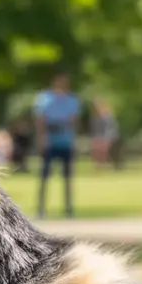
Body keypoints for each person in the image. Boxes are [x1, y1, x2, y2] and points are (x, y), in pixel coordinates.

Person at [33, 73, 81, 219]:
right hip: (50, 141)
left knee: (67, 177)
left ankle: (68, 208)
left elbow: (74, 122)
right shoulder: (45, 99)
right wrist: (41, 139)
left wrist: (74, 140)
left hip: (65, 141)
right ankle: (41, 208)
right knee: (44, 176)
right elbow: (41, 121)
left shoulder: (72, 100)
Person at [90, 98, 120, 170]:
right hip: (99, 136)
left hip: (105, 136)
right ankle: (98, 165)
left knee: (103, 151)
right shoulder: (96, 117)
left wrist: (108, 137)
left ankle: (103, 164)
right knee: (97, 150)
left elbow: (110, 127)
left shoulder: (107, 117)